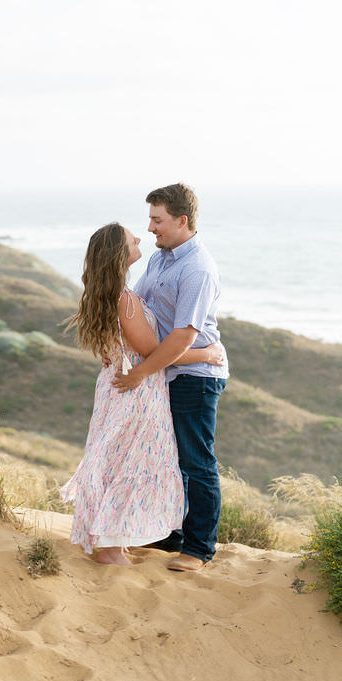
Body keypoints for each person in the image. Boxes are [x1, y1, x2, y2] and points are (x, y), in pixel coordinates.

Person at [60, 222, 226, 566]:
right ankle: (111, 548)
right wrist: (206, 354)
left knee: (119, 459)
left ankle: (115, 543)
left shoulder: (113, 294)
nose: (140, 237)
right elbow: (154, 351)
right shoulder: (125, 300)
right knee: (130, 462)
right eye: (130, 238)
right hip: (136, 390)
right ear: (119, 254)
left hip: (122, 385)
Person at [112, 183, 229, 572]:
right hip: (165, 372)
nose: (150, 228)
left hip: (195, 375)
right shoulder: (161, 258)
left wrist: (140, 373)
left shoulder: (197, 268)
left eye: (157, 220)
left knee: (196, 461)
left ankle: (198, 549)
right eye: (150, 219)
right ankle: (171, 535)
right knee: (169, 459)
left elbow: (183, 336)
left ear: (182, 220)